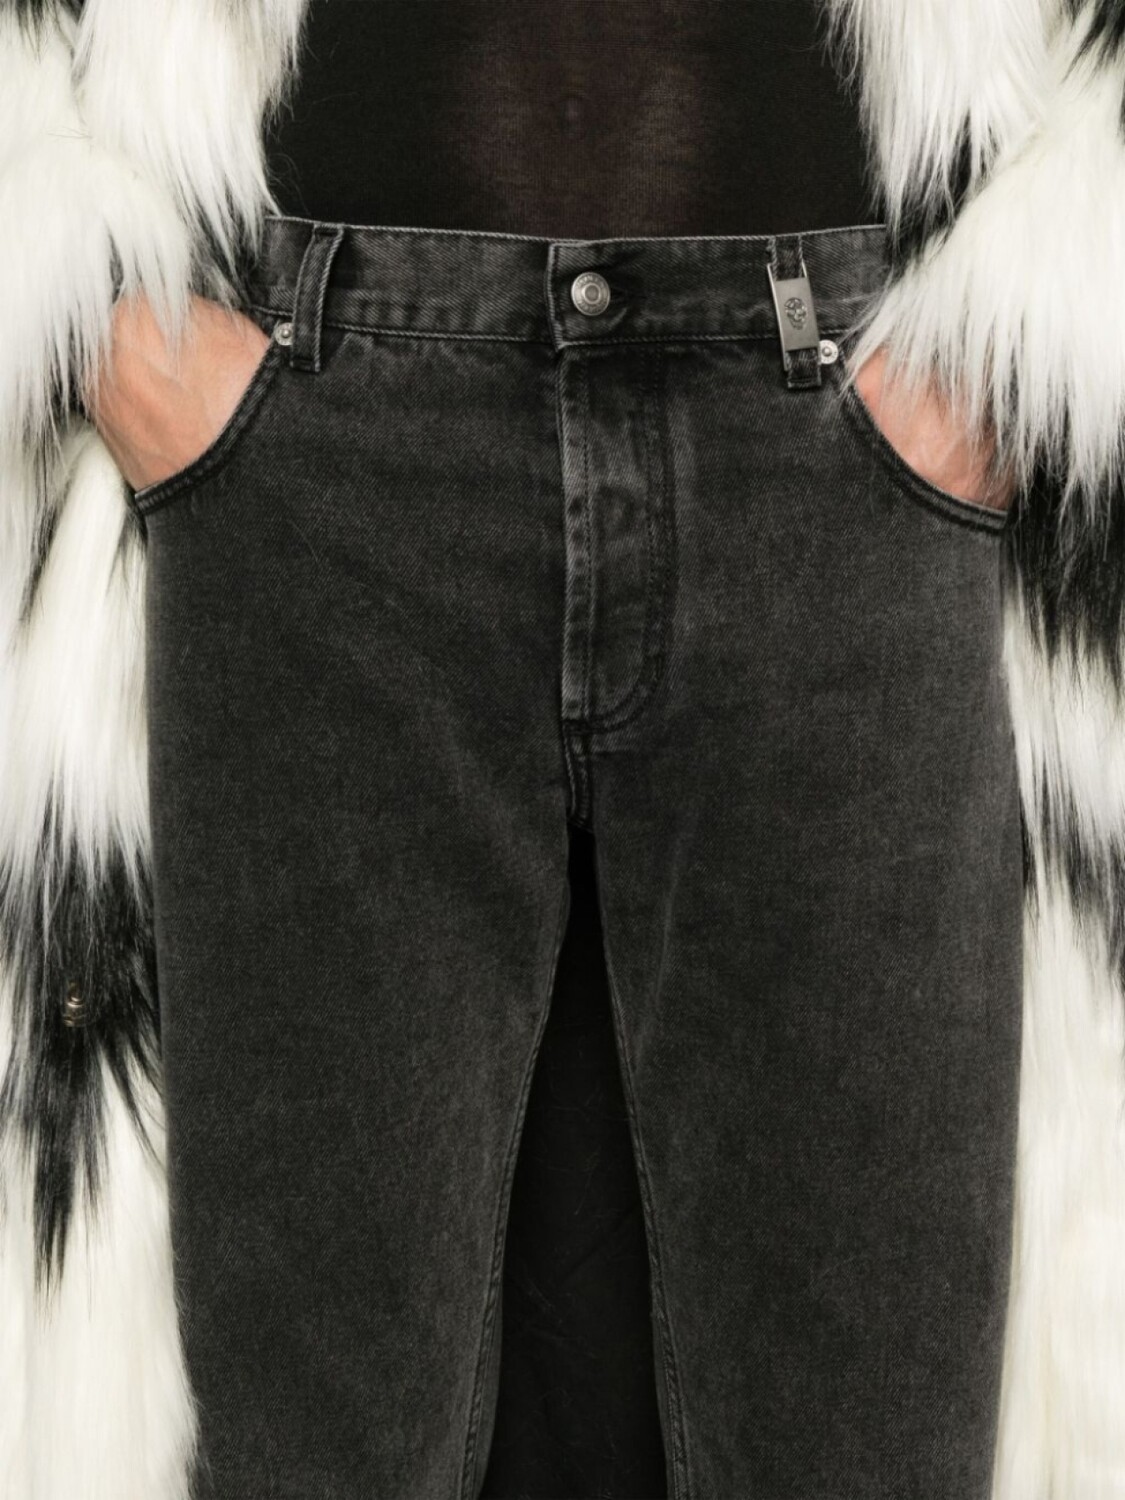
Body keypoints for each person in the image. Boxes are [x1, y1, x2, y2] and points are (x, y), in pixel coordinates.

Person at [0, 3, 1122, 1499]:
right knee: (311, 1435)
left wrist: (1013, 337)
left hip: (841, 450)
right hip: (319, 451)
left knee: (866, 1419)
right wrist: (94, 296)